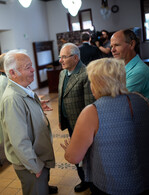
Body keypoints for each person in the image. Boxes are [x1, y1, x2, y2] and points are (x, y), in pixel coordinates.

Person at [60, 58, 149, 194]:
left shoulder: (92, 112)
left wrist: (69, 149)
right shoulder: (141, 100)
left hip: (112, 186)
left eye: (91, 81)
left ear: (98, 84)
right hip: (147, 181)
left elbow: (73, 157)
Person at [0, 50, 57, 195]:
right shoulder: (12, 98)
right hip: (30, 164)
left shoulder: (23, 87)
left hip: (38, 156)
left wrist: (36, 107)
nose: (33, 70)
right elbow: (19, 141)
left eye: (31, 65)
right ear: (13, 73)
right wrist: (35, 166)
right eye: (27, 67)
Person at [58, 43, 95, 192]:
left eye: (64, 57)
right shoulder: (63, 73)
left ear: (75, 57)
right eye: (60, 57)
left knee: (87, 154)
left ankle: (92, 181)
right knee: (75, 152)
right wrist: (61, 119)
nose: (60, 60)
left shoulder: (86, 74)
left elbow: (89, 106)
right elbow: (61, 98)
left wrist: (87, 128)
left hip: (82, 125)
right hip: (69, 121)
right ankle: (84, 180)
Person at [111, 29, 149, 106]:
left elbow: (118, 103)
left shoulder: (139, 71)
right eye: (111, 46)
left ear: (131, 44)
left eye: (117, 45)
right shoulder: (120, 67)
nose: (112, 50)